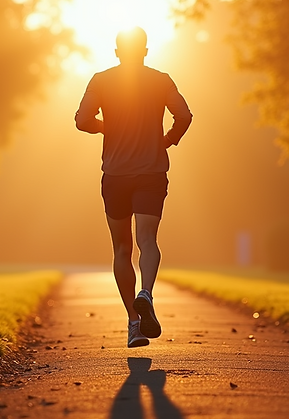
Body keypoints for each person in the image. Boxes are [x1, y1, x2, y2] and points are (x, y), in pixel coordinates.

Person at [75, 26, 192, 348]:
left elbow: (81, 120)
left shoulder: (100, 80)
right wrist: (167, 140)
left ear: (116, 52)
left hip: (115, 175)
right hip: (152, 172)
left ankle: (134, 323)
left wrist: (108, 129)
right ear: (145, 51)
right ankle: (147, 293)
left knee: (122, 249)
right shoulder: (162, 80)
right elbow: (184, 116)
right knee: (148, 240)